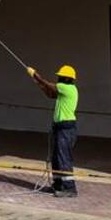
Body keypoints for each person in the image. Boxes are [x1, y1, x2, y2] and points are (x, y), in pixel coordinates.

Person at [26, 64, 79, 197]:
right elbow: (50, 93)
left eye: (61, 77)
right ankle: (58, 184)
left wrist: (35, 75)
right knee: (56, 158)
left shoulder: (69, 88)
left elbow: (49, 85)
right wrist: (38, 83)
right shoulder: (63, 90)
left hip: (66, 127)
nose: (59, 78)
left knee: (63, 158)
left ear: (67, 78)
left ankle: (69, 188)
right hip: (60, 127)